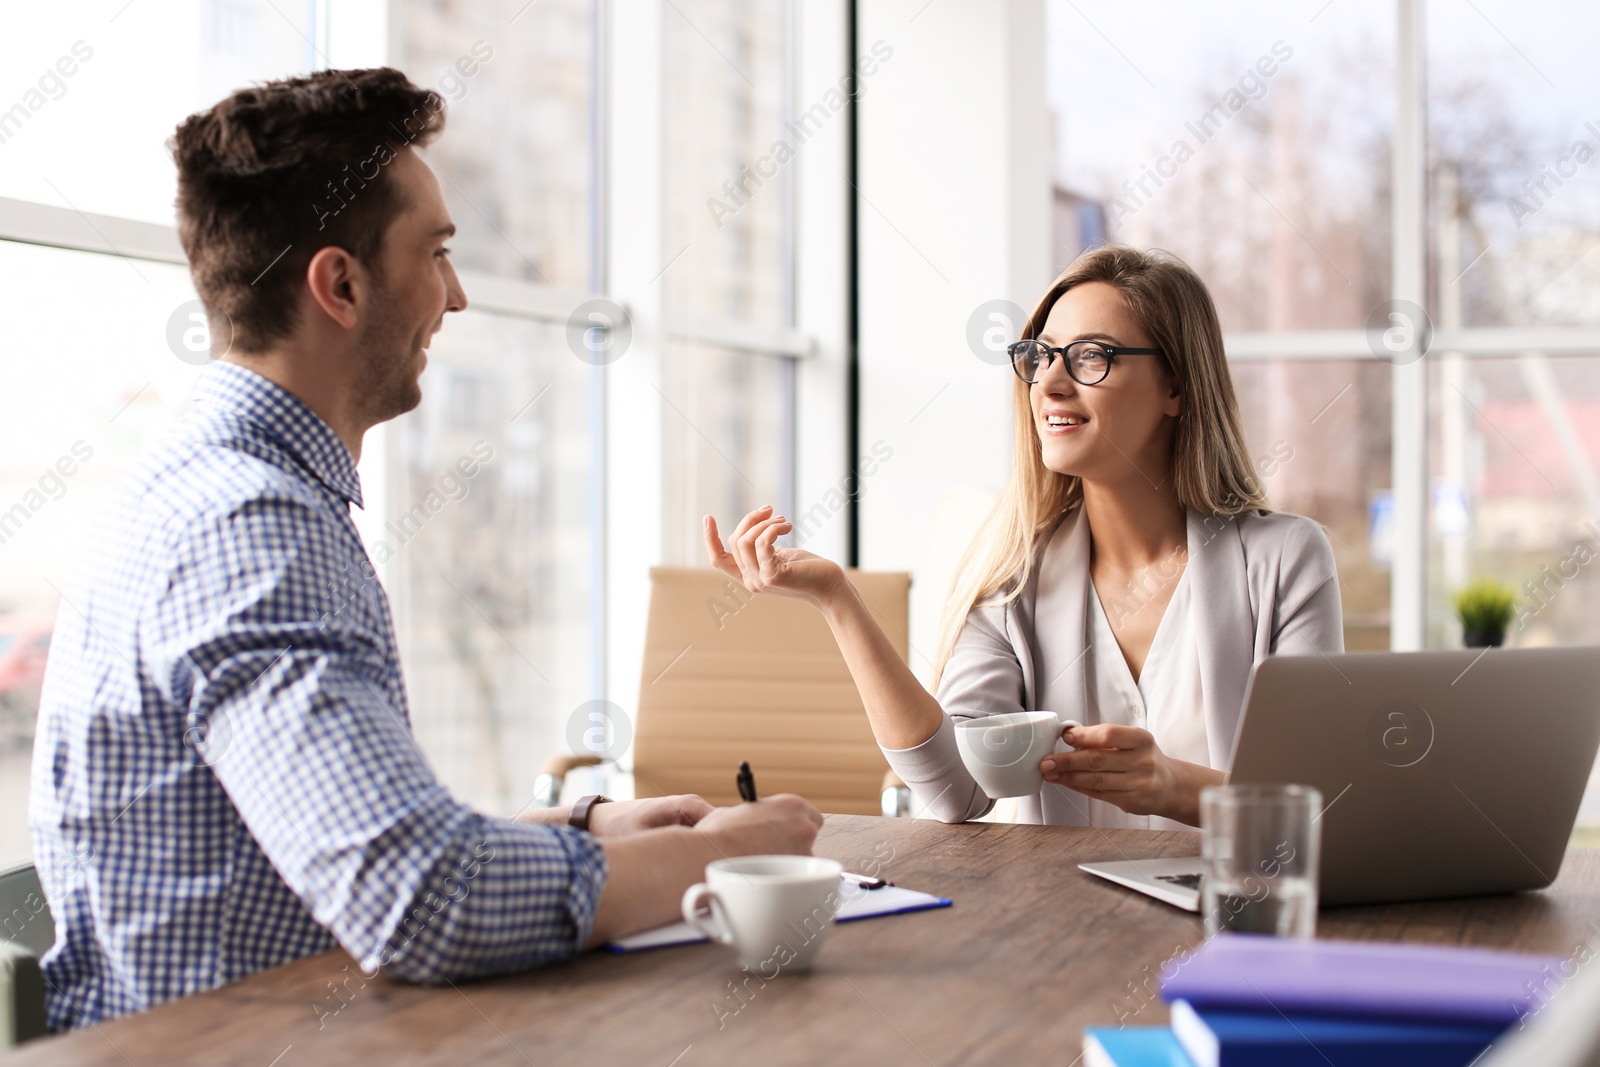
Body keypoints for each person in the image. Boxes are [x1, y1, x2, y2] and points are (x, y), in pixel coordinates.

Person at [28, 67, 822, 1032]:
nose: (456, 297)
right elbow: (418, 898)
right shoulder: (251, 525)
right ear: (342, 283)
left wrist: (584, 828)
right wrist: (721, 857)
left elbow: (334, 848)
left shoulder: (210, 482)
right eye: (436, 253)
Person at [707, 245, 1342, 830]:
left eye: (1093, 355)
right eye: (1040, 356)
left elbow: (1320, 805)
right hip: (1068, 933)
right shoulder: (1014, 574)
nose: (1049, 383)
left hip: (1236, 926)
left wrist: (1173, 786)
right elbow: (955, 791)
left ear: (1176, 386)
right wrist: (836, 599)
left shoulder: (1286, 560)